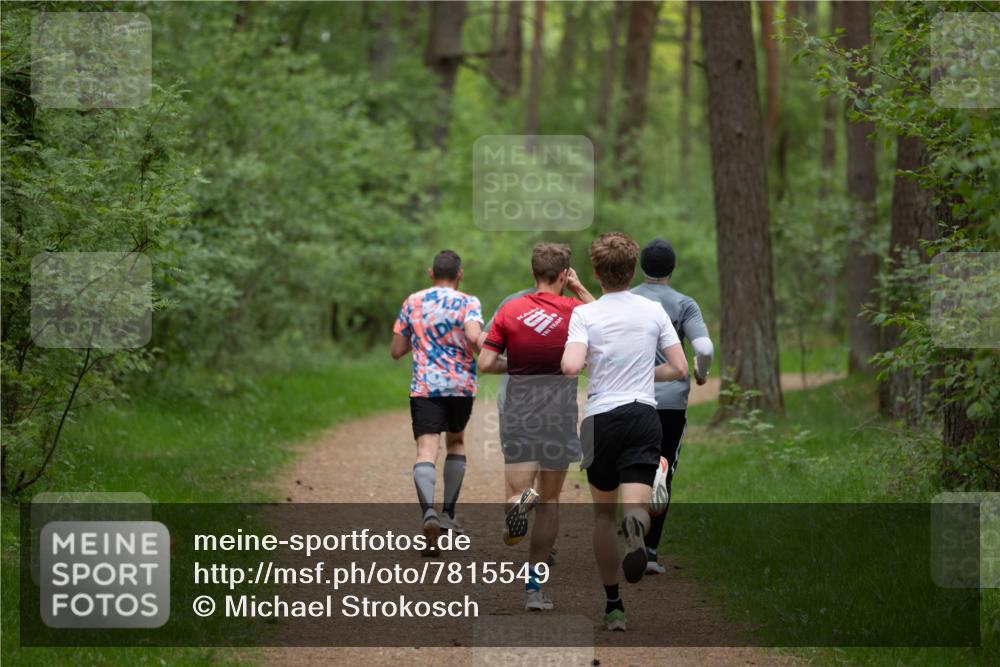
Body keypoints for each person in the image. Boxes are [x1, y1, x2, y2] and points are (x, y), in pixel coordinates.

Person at [560, 232, 688, 631]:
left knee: (602, 516)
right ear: (633, 269)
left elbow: (569, 365)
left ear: (596, 272)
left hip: (601, 419)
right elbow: (681, 369)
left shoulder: (586, 314)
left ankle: (614, 606)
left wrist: (587, 363)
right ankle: (636, 529)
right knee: (634, 506)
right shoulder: (652, 312)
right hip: (642, 415)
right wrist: (645, 377)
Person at [477, 243, 595, 611]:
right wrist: (578, 288)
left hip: (518, 415)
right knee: (551, 499)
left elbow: (484, 362)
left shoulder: (510, 311)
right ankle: (534, 587)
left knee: (519, 489)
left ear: (533, 274)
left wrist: (512, 365)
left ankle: (518, 503)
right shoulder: (577, 312)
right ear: (563, 274)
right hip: (558, 417)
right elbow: (607, 320)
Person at [391, 250, 483, 556]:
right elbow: (473, 336)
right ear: (460, 274)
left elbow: (396, 349)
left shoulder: (412, 302)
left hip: (425, 387)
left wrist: (421, 339)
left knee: (426, 450)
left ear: (431, 273)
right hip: (460, 386)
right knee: (455, 442)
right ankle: (448, 515)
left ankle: (427, 511)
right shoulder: (469, 302)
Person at [632, 239, 714, 574]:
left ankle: (630, 532)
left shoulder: (626, 299)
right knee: (664, 469)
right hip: (670, 403)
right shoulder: (684, 304)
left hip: (631, 396)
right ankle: (651, 553)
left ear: (642, 268)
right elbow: (705, 348)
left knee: (633, 466)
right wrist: (700, 373)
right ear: (672, 268)